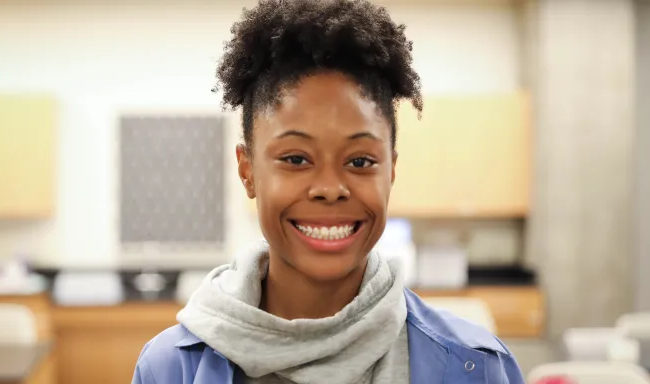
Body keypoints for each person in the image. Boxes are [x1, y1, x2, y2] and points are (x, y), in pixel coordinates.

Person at [132, 0, 524, 383]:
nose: (330, 189)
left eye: (359, 162)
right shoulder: (169, 370)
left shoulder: (478, 368)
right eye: (296, 159)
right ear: (247, 170)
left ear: (391, 171)